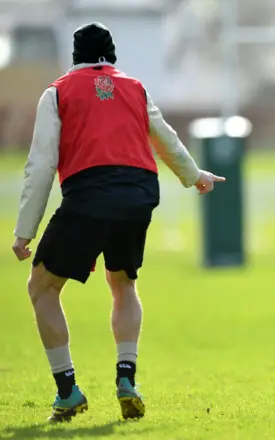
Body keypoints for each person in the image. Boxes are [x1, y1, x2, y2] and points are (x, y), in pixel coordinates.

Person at [11, 22, 225, 423]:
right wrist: (195, 176)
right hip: (138, 193)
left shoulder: (57, 92)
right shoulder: (134, 87)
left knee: (42, 288)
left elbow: (40, 164)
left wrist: (26, 230)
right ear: (112, 57)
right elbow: (165, 139)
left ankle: (67, 390)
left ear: (74, 56)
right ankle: (127, 379)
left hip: (91, 192)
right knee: (123, 282)